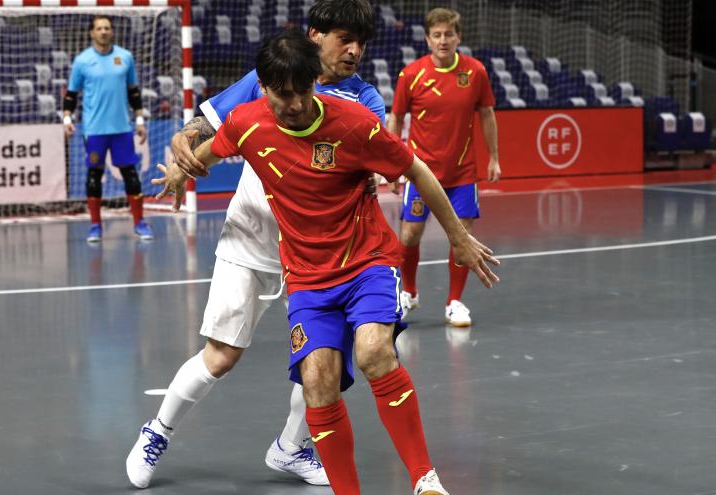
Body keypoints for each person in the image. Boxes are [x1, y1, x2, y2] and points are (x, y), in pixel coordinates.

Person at [154, 29, 499, 495]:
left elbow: (416, 169)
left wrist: (458, 237)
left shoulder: (355, 123)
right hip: (308, 276)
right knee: (318, 379)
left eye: (302, 92)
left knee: (375, 352)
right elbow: (206, 153)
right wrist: (179, 170)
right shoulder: (247, 123)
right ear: (265, 88)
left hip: (367, 261)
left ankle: (425, 478)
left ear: (315, 81)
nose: (292, 104)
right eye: (282, 95)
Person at [124, 0, 384, 489]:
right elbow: (209, 128)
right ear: (315, 36)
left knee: (322, 362)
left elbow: (369, 163)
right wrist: (184, 145)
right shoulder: (274, 76)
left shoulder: (365, 100)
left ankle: (290, 447)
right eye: (344, 39)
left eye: (361, 43)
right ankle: (157, 430)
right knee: (220, 355)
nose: (354, 51)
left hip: (320, 252)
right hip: (252, 237)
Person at [389, 7, 501, 327]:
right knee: (410, 234)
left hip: (462, 172)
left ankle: (454, 302)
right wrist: (394, 167)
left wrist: (494, 156)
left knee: (463, 236)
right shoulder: (410, 75)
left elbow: (487, 114)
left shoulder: (475, 72)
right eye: (436, 35)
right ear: (427, 39)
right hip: (420, 172)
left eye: (448, 34)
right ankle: (408, 292)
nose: (443, 40)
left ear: (458, 37)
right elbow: (396, 119)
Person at [63, 15, 152, 243]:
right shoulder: (82, 61)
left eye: (107, 28)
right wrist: (67, 119)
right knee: (94, 175)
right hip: (94, 130)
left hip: (122, 128)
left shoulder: (125, 57)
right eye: (99, 28)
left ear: (112, 31)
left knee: (130, 175)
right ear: (91, 33)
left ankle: (140, 223)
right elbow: (71, 94)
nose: (103, 31)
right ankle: (95, 226)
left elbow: (134, 91)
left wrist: (140, 121)